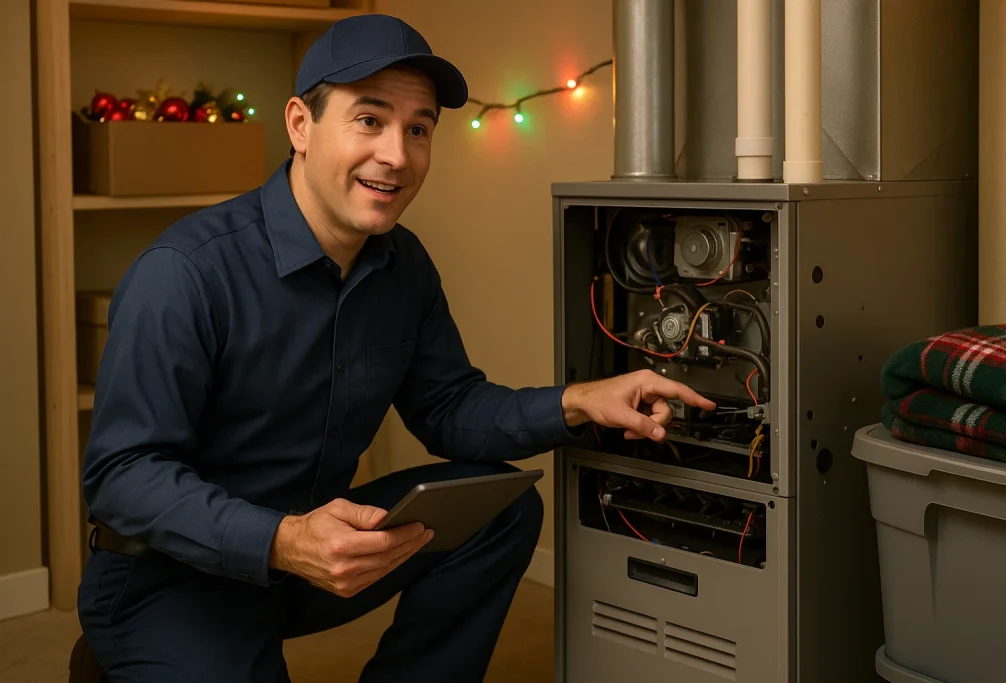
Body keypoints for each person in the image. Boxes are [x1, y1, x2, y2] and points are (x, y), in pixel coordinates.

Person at [74, 13, 717, 683]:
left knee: (501, 505)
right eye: (369, 120)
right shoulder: (186, 271)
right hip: (169, 578)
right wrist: (284, 540)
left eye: (418, 129)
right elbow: (122, 474)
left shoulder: (401, 265)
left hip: (314, 556)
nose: (397, 155)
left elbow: (448, 406)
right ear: (300, 124)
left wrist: (578, 401)